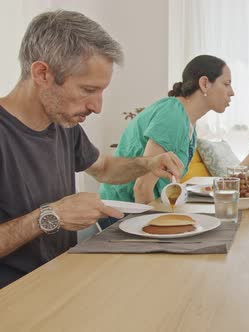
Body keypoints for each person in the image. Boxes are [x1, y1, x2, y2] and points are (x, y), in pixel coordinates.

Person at [0, 10, 184, 288]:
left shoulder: (63, 125)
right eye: (88, 90)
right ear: (42, 73)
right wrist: (49, 216)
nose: (97, 107)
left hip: (59, 282)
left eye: (101, 92)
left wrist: (147, 164)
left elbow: (105, 169)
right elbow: (51, 216)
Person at [99, 55, 234, 205]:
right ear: (204, 84)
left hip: (138, 206)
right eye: (226, 84)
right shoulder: (173, 117)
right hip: (121, 212)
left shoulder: (186, 119)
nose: (232, 92)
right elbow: (142, 188)